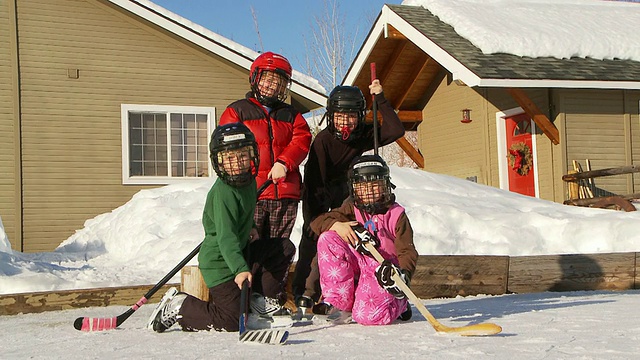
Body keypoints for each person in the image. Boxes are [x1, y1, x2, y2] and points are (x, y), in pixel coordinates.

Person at [292, 80, 406, 309]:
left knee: (353, 239)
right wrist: (322, 218)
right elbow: (314, 183)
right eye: (340, 116)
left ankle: (346, 290)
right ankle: (304, 293)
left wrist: (381, 100)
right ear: (331, 116)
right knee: (314, 238)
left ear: (360, 116)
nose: (346, 122)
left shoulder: (362, 134)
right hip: (321, 194)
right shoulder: (323, 141)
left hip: (351, 193)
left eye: (351, 116)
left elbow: (396, 129)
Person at [218, 51, 312, 315]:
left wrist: (285, 162)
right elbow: (229, 148)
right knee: (252, 245)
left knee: (279, 250)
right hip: (254, 194)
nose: (272, 86)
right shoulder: (237, 111)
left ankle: (268, 299)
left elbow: (302, 139)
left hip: (285, 194)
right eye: (268, 79)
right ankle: (245, 297)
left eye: (279, 82)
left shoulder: (292, 115)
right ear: (255, 78)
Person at [148, 122, 262, 333]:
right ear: (219, 162)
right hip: (219, 263)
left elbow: (243, 214)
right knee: (230, 321)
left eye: (242, 156)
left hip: (238, 253)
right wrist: (239, 269)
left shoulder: (250, 183)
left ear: (252, 155)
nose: (237, 163)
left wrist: (252, 227)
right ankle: (180, 306)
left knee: (281, 248)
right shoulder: (223, 192)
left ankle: (256, 302)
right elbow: (226, 236)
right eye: (229, 158)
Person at [309, 155, 418, 325]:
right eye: (362, 187)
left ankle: (399, 303)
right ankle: (339, 303)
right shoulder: (351, 208)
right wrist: (338, 225)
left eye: (375, 185)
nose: (369, 192)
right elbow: (317, 222)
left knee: (367, 317)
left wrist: (403, 275)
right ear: (354, 189)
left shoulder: (396, 215)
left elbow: (407, 250)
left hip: (384, 271)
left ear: (385, 185)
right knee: (328, 238)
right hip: (360, 264)